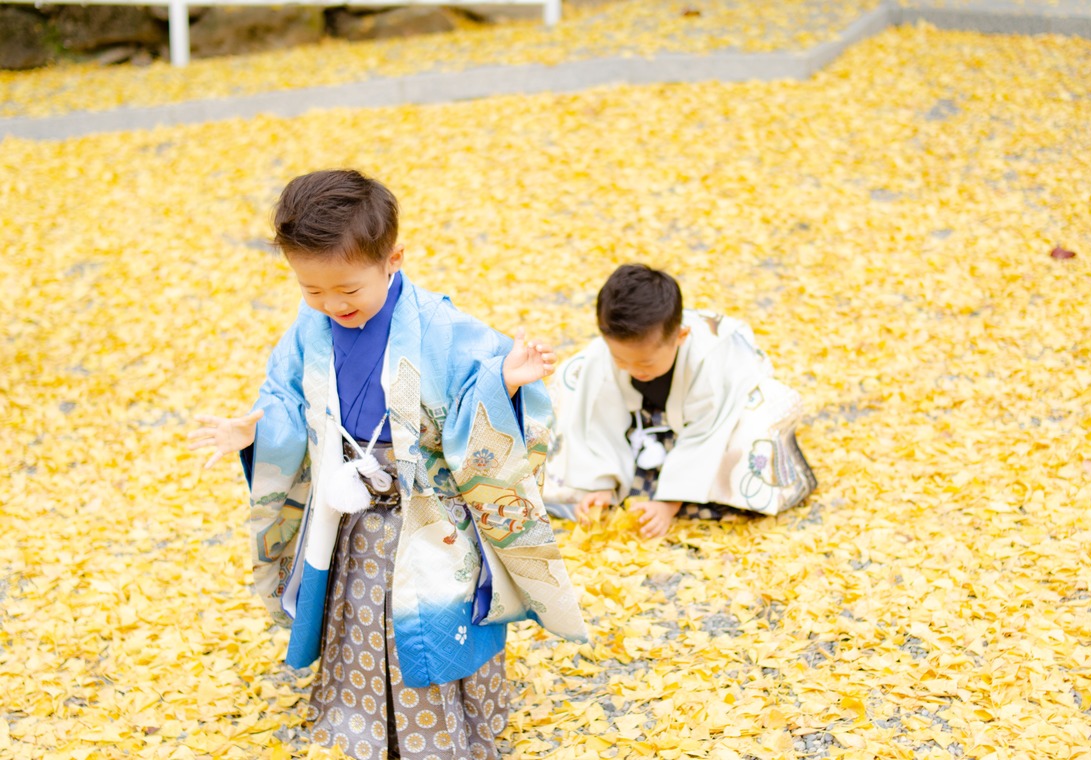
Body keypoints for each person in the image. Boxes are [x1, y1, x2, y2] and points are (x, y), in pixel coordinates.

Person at [189, 169, 586, 760]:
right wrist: (257, 428)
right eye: (312, 291)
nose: (331, 305)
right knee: (354, 613)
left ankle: (444, 725)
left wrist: (504, 382)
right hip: (350, 505)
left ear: (393, 258)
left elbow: (483, 387)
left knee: (423, 616)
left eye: (347, 290)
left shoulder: (443, 328)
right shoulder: (310, 327)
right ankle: (357, 714)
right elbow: (286, 398)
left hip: (424, 510)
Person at [543, 263, 816, 539]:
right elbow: (597, 418)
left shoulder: (712, 361)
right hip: (650, 411)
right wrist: (600, 484)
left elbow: (707, 430)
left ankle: (683, 489)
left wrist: (669, 502)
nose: (632, 369)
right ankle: (625, 473)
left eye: (644, 362)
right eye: (619, 358)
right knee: (573, 378)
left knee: (754, 419)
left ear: (681, 337)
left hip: (718, 408)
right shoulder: (603, 355)